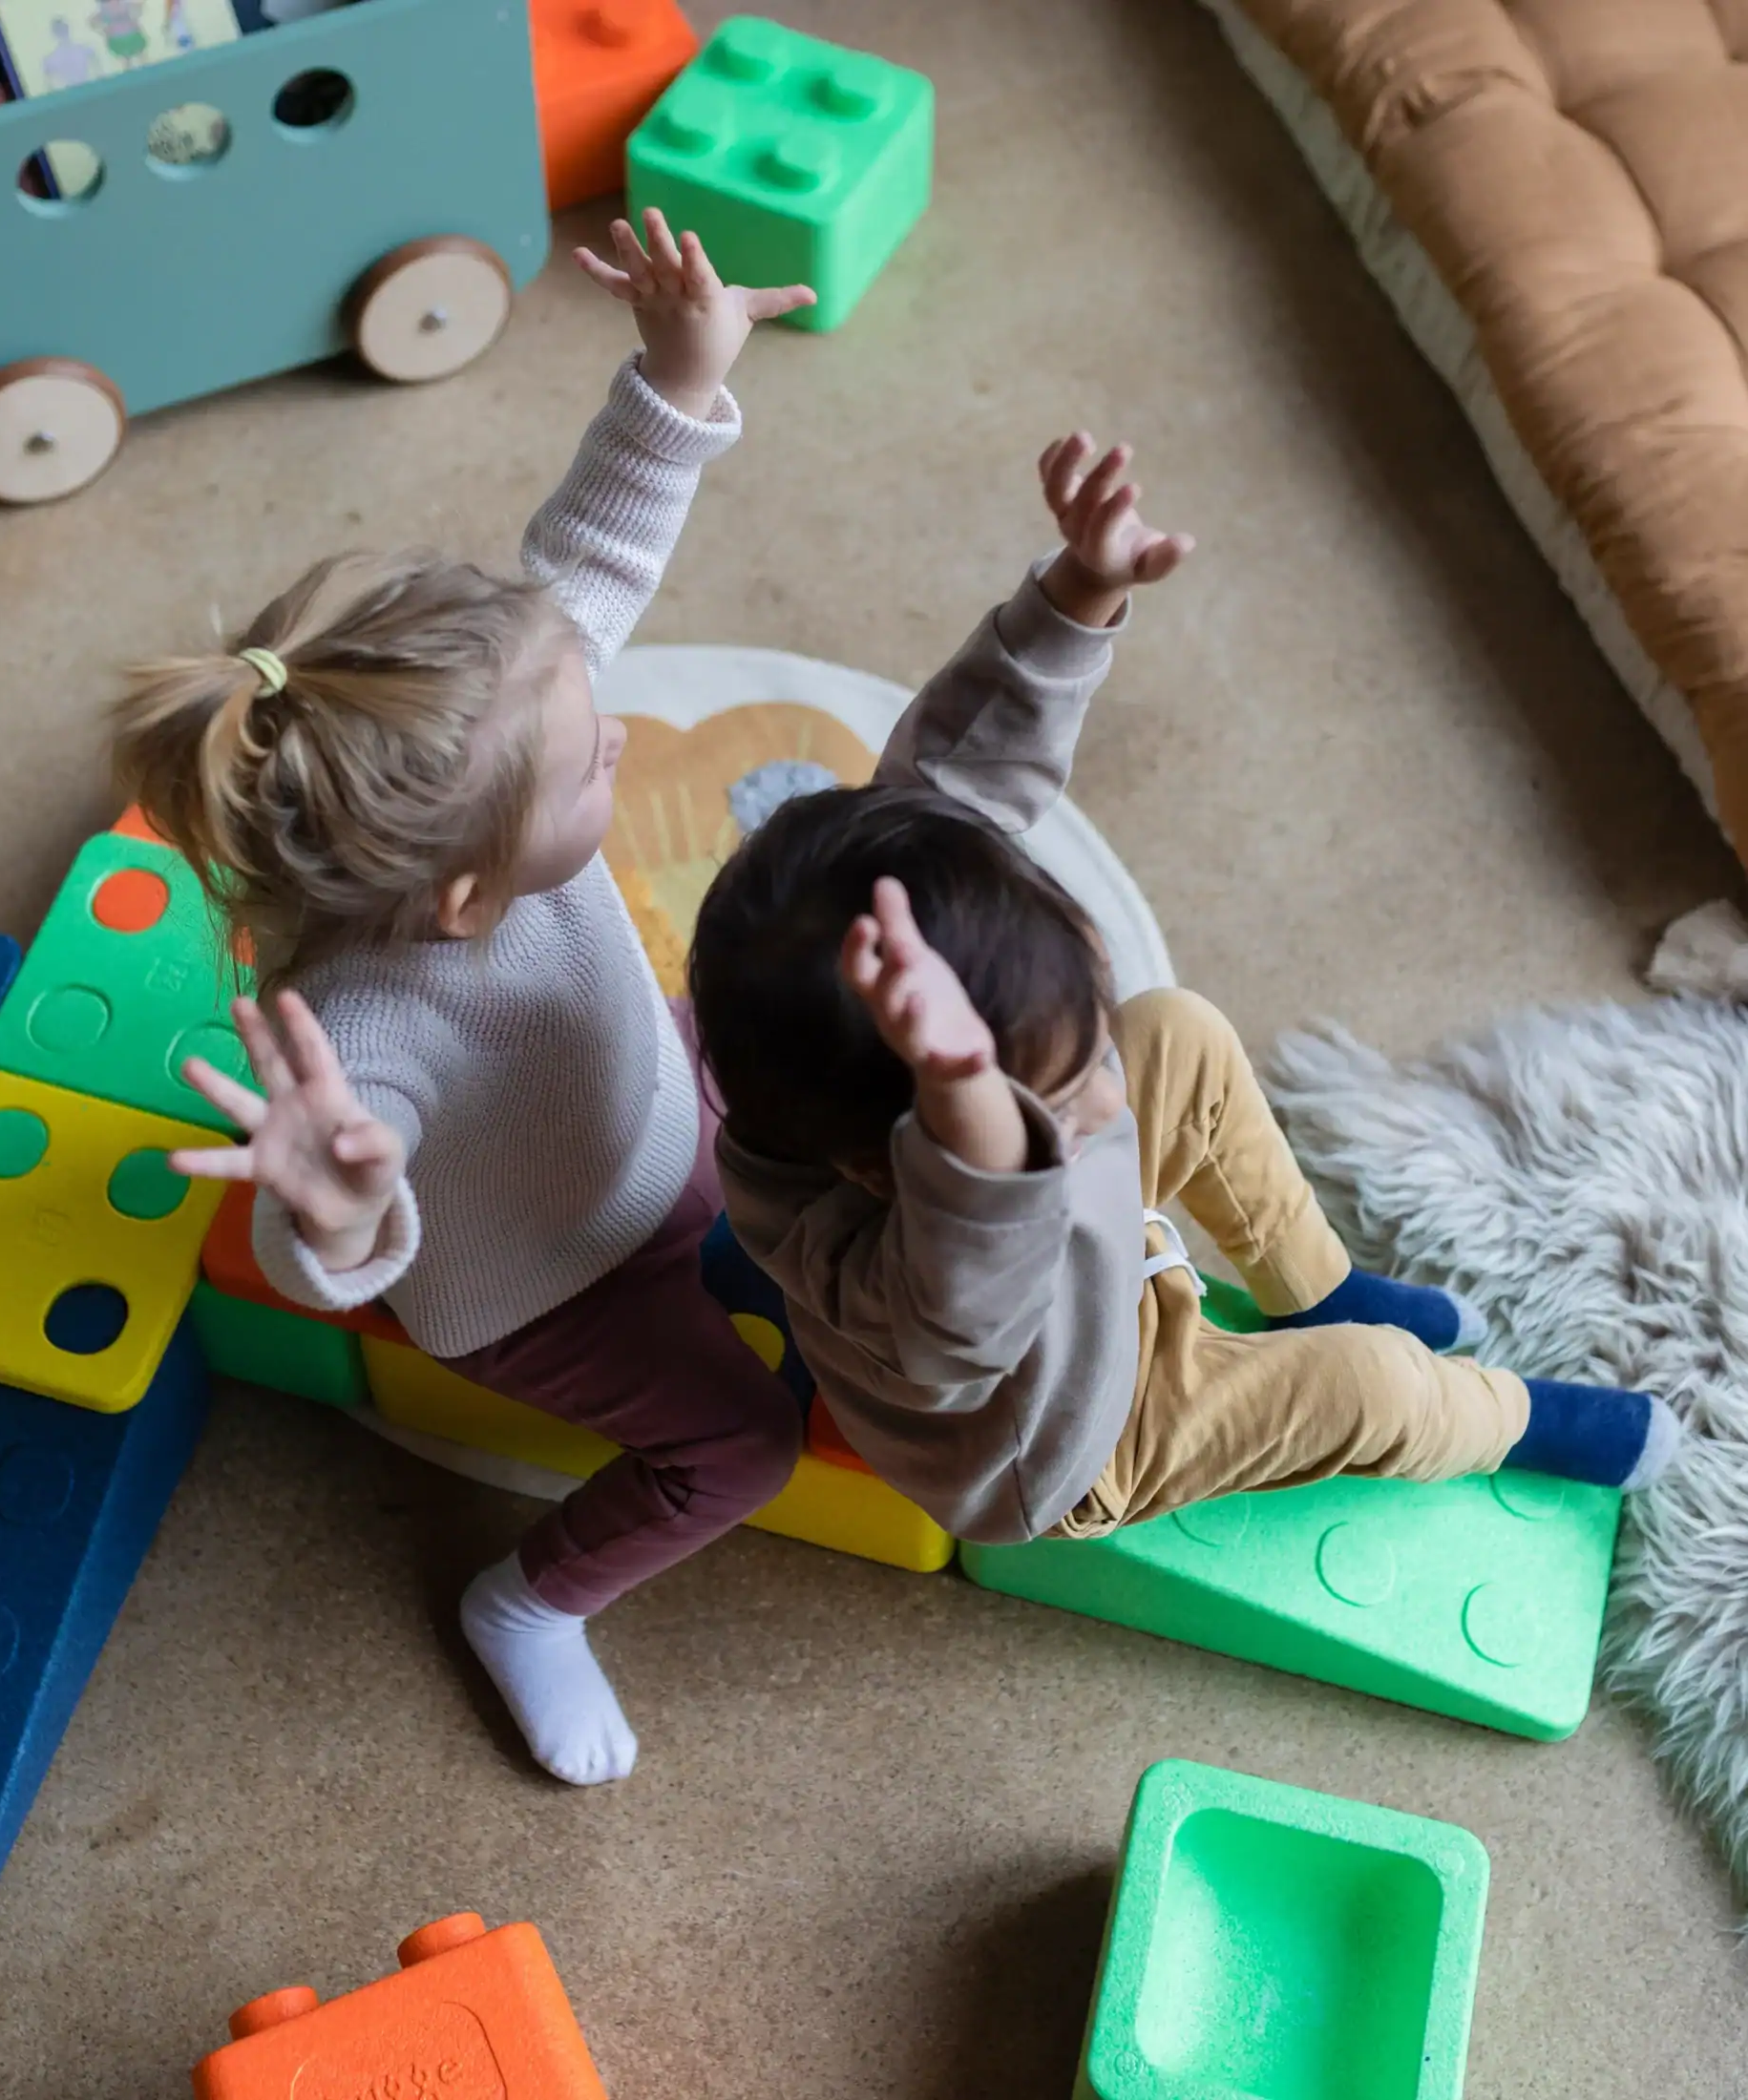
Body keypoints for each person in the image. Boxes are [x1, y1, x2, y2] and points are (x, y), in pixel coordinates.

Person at [111, 215, 815, 1787]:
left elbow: (590, 559)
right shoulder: (368, 1027)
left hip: (652, 1095)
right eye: (590, 767)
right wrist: (342, 1204)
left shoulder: (499, 730)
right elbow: (316, 1257)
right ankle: (530, 1605)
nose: (617, 737)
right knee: (745, 1444)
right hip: (549, 1279)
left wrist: (676, 375)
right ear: (465, 902)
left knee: (801, 1024)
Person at [687, 436, 1682, 1546]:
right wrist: (970, 1094)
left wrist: (1078, 592)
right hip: (1079, 1427)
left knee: (1178, 1031)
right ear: (896, 1167)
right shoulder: (917, 1298)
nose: (1107, 1096)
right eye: (1064, 1103)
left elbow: (956, 782)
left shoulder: (885, 969)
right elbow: (970, 1288)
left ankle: (1317, 1283)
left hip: (1051, 1237)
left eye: (1083, 1059)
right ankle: (1510, 1420)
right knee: (1377, 1385)